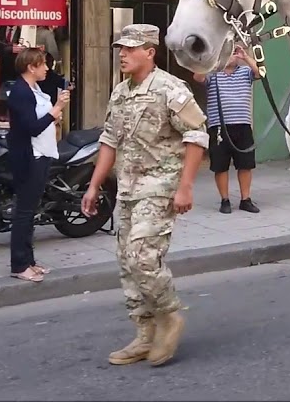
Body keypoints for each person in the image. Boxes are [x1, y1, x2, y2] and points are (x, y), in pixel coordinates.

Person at [81, 24, 208, 367]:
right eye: (120, 48)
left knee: (142, 256)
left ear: (149, 52)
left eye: (130, 48)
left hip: (160, 185)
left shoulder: (170, 88)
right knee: (127, 262)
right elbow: (109, 140)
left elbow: (196, 134)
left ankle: (169, 315)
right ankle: (144, 333)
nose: (122, 54)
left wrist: (186, 186)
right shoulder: (120, 92)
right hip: (128, 187)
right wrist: (94, 185)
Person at [5, 48, 70, 282]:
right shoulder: (21, 92)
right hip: (29, 156)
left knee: (31, 210)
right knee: (24, 211)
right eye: (42, 64)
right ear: (31, 67)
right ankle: (19, 264)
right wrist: (57, 110)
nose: (46, 69)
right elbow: (31, 127)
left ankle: (29, 261)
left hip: (41, 154)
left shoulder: (34, 88)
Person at [193, 45, 261, 214]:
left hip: (243, 125)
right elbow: (198, 77)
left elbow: (259, 73)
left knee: (245, 164)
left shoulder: (244, 72)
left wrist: (245, 57)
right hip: (218, 127)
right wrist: (214, 61)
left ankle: (246, 199)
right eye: (228, 53)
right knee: (220, 166)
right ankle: (225, 200)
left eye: (233, 53)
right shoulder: (213, 74)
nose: (232, 56)